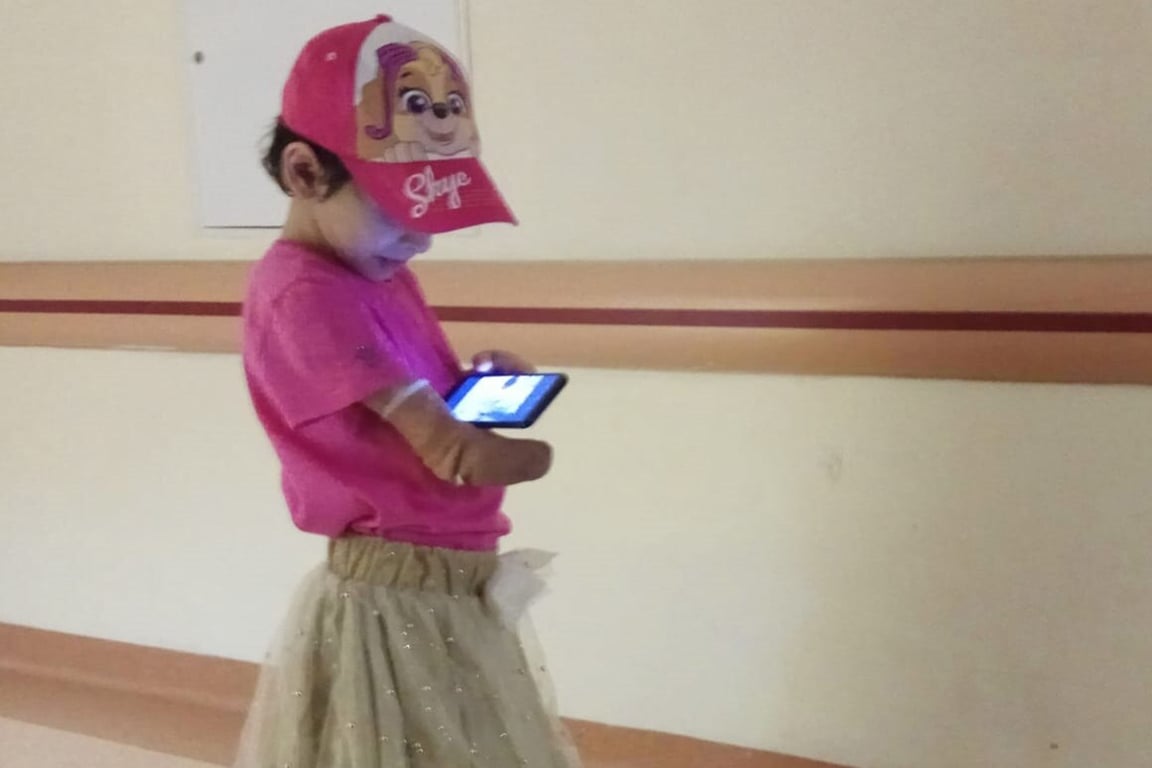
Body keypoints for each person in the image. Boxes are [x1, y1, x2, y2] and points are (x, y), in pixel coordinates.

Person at [234, 14, 579, 768]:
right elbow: (443, 444)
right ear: (305, 173)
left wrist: (475, 390)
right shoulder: (303, 292)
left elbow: (417, 403)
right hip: (395, 594)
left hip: (444, 579)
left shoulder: (378, 274)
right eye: (401, 211)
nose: (421, 238)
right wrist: (513, 453)